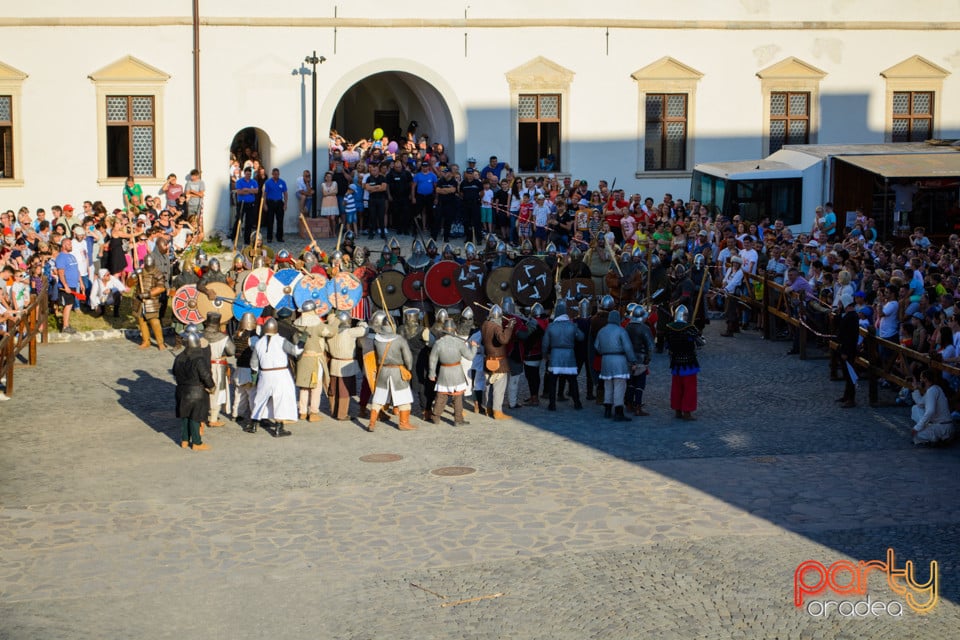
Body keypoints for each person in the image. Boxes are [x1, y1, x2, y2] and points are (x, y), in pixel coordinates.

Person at [250, 317, 303, 436]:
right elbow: (296, 351)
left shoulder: (259, 342)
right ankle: (279, 427)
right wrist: (303, 340)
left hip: (265, 374)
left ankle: (254, 424)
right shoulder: (281, 340)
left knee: (260, 399)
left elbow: (253, 363)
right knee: (282, 400)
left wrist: (254, 376)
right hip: (281, 375)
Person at [366, 310, 416, 431]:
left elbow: (376, 356)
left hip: (383, 371)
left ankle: (372, 423)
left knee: (378, 398)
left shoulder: (377, 339)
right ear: (393, 325)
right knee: (404, 399)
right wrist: (408, 369)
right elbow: (408, 358)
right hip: (397, 372)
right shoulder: (399, 339)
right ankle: (404, 423)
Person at [428, 317, 478, 426]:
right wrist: (474, 347)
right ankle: (458, 420)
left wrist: (432, 373)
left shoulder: (438, 343)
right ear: (454, 329)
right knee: (457, 397)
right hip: (456, 372)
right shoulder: (459, 342)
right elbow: (470, 357)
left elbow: (432, 359)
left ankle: (436, 417)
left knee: (441, 396)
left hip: (444, 372)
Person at [293, 300, 337, 422]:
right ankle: (313, 412)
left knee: (304, 386)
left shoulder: (297, 324)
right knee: (315, 387)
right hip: (315, 360)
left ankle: (302, 411)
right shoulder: (317, 325)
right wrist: (334, 321)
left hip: (302, 358)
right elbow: (331, 332)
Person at [172, 328, 215, 451]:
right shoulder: (198, 359)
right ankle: (197, 442)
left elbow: (175, 372)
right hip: (196, 391)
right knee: (195, 417)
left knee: (185, 415)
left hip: (181, 390)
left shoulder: (179, 357)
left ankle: (184, 440)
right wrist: (211, 386)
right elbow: (205, 375)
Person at [594, 309, 637, 421]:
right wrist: (633, 360)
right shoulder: (621, 331)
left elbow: (597, 347)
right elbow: (628, 347)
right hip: (619, 360)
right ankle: (618, 412)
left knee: (608, 385)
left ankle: (607, 410)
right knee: (619, 386)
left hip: (606, 360)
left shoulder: (602, 331)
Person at [542, 300, 585, 411]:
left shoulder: (551, 326)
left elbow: (545, 343)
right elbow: (581, 337)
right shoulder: (572, 325)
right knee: (572, 381)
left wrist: (545, 355)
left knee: (553, 382)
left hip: (555, 355)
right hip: (569, 355)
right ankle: (577, 403)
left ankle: (552, 405)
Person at [327, 310, 367, 421]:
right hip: (346, 365)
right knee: (344, 390)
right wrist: (361, 323)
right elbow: (365, 330)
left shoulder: (331, 332)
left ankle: (333, 411)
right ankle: (342, 414)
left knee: (333, 389)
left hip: (334, 363)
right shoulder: (350, 332)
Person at [665, 305, 701, 420]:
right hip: (689, 362)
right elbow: (701, 342)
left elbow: (667, 345)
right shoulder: (690, 328)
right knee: (689, 388)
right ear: (685, 316)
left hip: (675, 362)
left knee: (677, 387)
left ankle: (677, 410)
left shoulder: (670, 328)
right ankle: (687, 412)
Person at [480, 304, 516, 419]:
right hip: (499, 361)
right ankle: (497, 411)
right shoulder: (496, 327)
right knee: (498, 387)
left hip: (488, 358)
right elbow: (504, 339)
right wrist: (509, 327)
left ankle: (488, 408)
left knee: (488, 386)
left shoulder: (485, 325)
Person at [203, 312, 235, 427]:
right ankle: (213, 418)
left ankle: (204, 415)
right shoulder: (223, 338)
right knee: (217, 392)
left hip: (203, 365)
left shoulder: (201, 335)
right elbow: (231, 351)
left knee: (205, 389)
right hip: (218, 367)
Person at [910, 369, 955, 446]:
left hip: (943, 427)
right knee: (915, 408)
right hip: (942, 426)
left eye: (921, 379)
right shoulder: (933, 389)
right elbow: (920, 403)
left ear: (925, 379)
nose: (920, 381)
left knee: (917, 436)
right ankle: (940, 438)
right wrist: (915, 388)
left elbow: (930, 411)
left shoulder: (932, 390)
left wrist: (917, 428)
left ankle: (939, 439)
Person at [624, 305, 654, 416]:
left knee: (631, 383)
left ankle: (629, 404)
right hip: (641, 359)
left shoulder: (628, 326)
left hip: (629, 358)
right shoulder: (644, 328)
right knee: (640, 384)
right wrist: (648, 359)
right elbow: (650, 346)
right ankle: (637, 406)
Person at [133, 254, 167, 350]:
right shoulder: (140, 272)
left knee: (154, 321)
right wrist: (134, 275)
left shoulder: (158, 274)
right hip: (139, 300)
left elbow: (161, 288)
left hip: (151, 301)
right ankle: (146, 341)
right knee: (141, 321)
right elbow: (129, 283)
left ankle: (160, 343)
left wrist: (147, 294)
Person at [232, 312, 258, 432]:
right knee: (252, 394)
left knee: (239, 393)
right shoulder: (253, 338)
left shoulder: (236, 335)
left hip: (239, 369)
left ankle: (237, 413)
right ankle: (254, 415)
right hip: (248, 370)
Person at [835, 293, 859, 408]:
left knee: (850, 375)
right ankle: (847, 395)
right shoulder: (849, 315)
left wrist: (845, 351)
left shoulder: (852, 317)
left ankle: (851, 399)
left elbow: (849, 337)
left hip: (848, 350)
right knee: (846, 374)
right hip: (846, 348)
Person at [54, 237, 82, 333]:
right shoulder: (61, 257)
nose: (71, 246)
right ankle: (65, 326)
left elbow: (76, 270)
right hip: (66, 285)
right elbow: (61, 273)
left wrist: (81, 282)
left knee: (70, 305)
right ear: (64, 245)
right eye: (69, 244)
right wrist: (65, 285)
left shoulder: (72, 256)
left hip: (74, 284)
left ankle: (67, 324)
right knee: (68, 305)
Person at [263, 168, 288, 243]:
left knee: (280, 221)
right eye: (275, 174)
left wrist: (285, 204)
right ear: (272, 174)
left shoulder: (282, 182)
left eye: (277, 174)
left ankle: (279, 237)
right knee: (270, 221)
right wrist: (264, 204)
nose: (276, 175)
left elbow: (285, 193)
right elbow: (264, 194)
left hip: (279, 203)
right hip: (270, 202)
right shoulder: (267, 182)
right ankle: (269, 237)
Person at [236, 167, 259, 244]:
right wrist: (250, 191)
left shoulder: (254, 182)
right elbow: (239, 192)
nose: (248, 175)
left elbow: (256, 191)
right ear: (244, 173)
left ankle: (247, 239)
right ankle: (234, 236)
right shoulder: (239, 181)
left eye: (250, 174)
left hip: (250, 204)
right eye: (247, 174)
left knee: (249, 222)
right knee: (239, 220)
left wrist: (247, 189)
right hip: (242, 203)